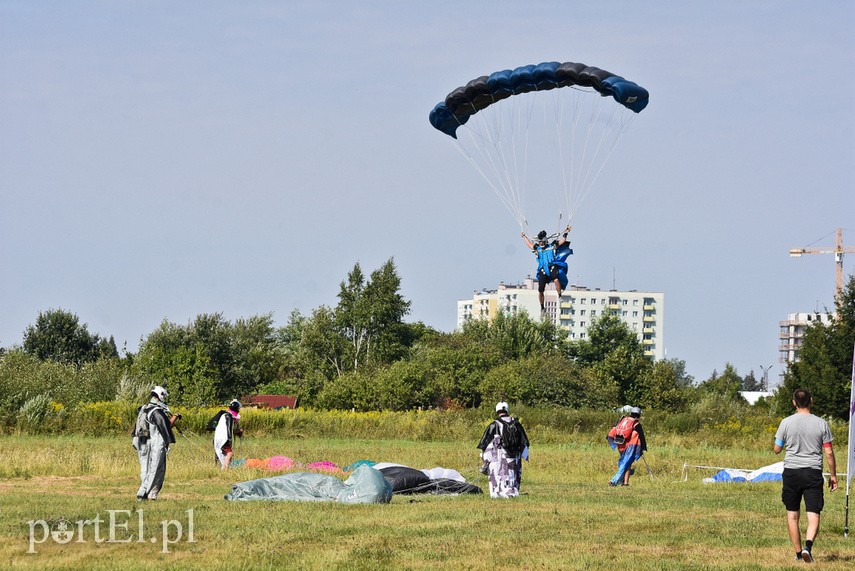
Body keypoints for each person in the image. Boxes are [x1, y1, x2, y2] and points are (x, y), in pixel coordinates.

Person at [773, 388, 838, 564]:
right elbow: (829, 453)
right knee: (813, 513)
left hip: (792, 472)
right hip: (813, 472)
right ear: (811, 401)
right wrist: (833, 476)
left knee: (792, 514)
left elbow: (777, 450)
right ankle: (807, 547)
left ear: (794, 402)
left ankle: (797, 553)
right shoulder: (821, 423)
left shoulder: (785, 422)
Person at [132, 385, 179, 500]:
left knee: (145, 469)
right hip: (154, 444)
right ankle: (146, 494)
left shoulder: (144, 408)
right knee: (156, 469)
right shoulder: (157, 412)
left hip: (141, 443)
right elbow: (166, 427)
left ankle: (144, 492)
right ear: (160, 396)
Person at [477, 402, 530, 498]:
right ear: (507, 410)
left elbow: (484, 444)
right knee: (513, 474)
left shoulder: (494, 424)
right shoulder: (516, 423)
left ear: (497, 411)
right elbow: (525, 443)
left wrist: (485, 459)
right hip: (515, 458)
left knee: (500, 473)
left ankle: (498, 492)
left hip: (500, 457)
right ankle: (513, 490)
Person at [521, 226, 571, 312]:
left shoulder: (552, 246)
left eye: (541, 242)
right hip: (543, 269)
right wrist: (524, 237)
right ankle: (542, 308)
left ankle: (559, 296)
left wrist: (566, 232)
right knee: (540, 290)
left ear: (545, 241)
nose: (540, 243)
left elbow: (562, 241)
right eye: (539, 242)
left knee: (556, 279)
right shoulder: (538, 249)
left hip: (552, 266)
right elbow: (529, 245)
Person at [606, 406, 647, 486]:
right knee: (625, 463)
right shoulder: (636, 424)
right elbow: (641, 437)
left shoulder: (622, 420)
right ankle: (613, 481)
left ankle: (625, 483)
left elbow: (613, 430)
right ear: (639, 415)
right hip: (630, 447)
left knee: (627, 464)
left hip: (621, 445)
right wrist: (642, 448)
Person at [213, 399, 244, 469]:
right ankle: (225, 469)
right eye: (238, 408)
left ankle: (224, 467)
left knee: (225, 454)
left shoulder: (225, 415)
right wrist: (238, 432)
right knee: (230, 454)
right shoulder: (229, 417)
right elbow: (229, 430)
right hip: (224, 439)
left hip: (219, 439)